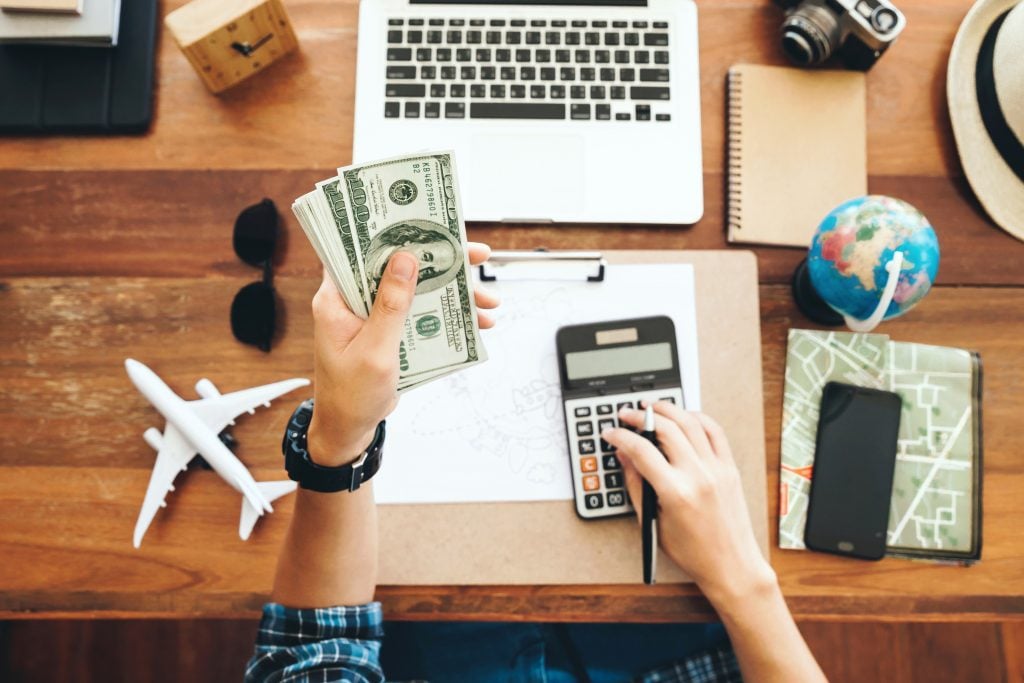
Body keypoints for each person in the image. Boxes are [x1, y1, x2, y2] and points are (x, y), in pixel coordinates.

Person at [245, 245, 827, 683]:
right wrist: (743, 580)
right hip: (679, 639)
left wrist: (340, 438)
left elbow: (311, 654)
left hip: (436, 639)